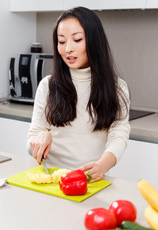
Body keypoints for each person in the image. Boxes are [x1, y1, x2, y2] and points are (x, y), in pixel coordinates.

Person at [27, 6, 131, 183]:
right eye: (61, 41)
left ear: (94, 42)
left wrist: (102, 166)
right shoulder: (48, 86)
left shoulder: (117, 87)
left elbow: (119, 135)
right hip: (51, 179)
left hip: (91, 180)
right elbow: (33, 137)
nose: (68, 49)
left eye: (77, 39)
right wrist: (40, 138)